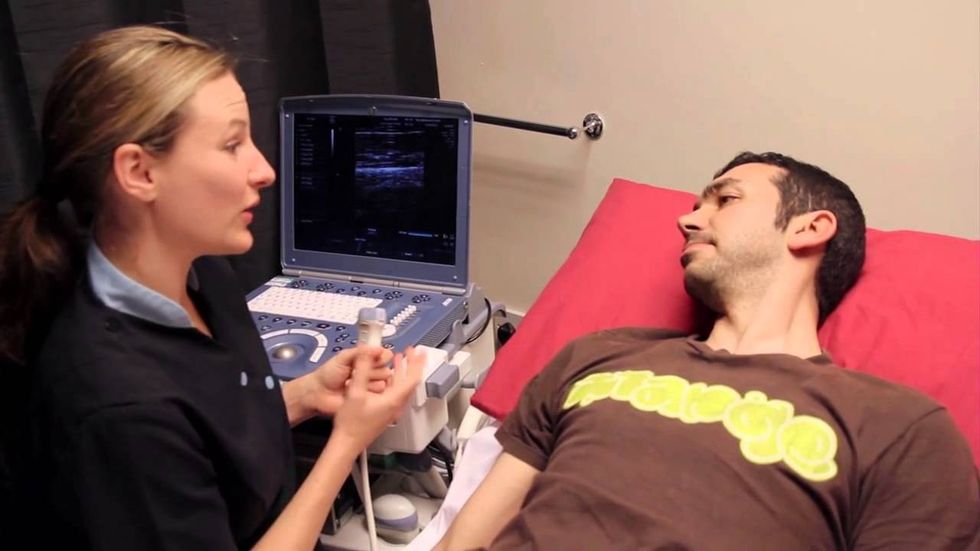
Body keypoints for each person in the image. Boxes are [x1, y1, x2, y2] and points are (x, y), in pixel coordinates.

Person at [0, 26, 423, 549]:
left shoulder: (203, 274)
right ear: (139, 172)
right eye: (231, 144)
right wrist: (347, 443)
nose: (265, 170)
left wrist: (306, 395)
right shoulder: (119, 408)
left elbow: (210, 435)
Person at [435, 152, 980, 550]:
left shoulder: (900, 427)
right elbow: (462, 542)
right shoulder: (595, 356)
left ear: (810, 228)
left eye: (725, 199)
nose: (687, 218)